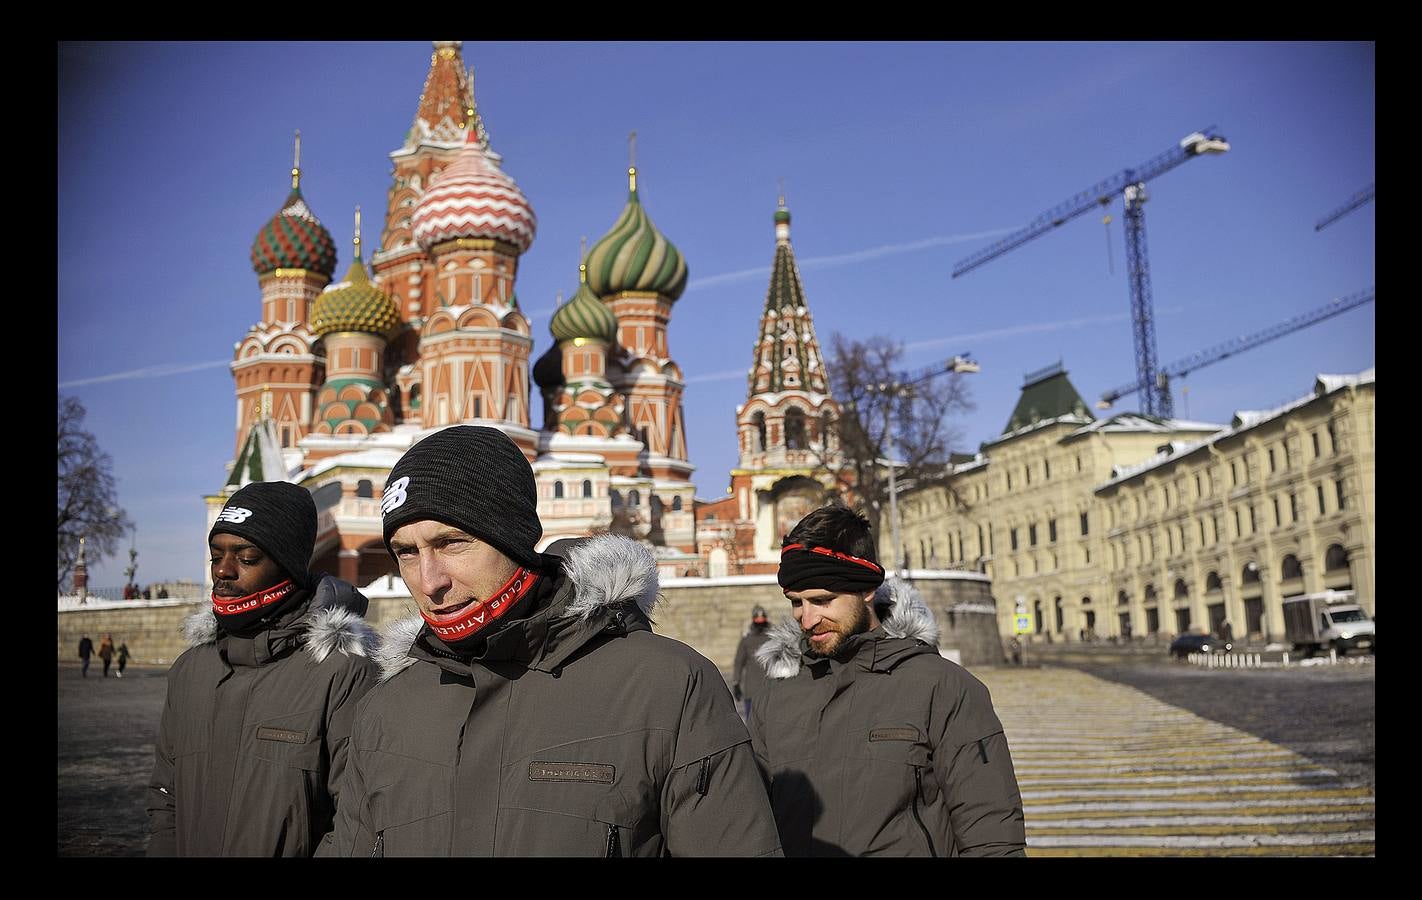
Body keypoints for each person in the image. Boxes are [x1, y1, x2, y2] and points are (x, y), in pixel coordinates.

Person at [322, 426, 781, 857]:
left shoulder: (663, 686)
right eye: (406, 552)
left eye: (453, 543)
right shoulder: (387, 707)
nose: (429, 581)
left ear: (514, 538)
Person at [749, 505, 1026, 857]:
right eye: (796, 602)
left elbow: (991, 830)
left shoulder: (941, 687)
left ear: (866, 589)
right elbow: (751, 821)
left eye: (822, 600)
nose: (807, 619)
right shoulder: (776, 695)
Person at [146, 480, 380, 857]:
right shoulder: (191, 670)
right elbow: (165, 798)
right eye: (215, 556)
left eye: (246, 557)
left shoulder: (341, 671)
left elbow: (355, 821)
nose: (223, 571)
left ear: (286, 565)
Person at [732, 605, 773, 721]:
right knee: (752, 722)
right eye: (758, 622)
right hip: (752, 691)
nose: (760, 625)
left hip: (770, 690)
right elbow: (739, 662)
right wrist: (736, 683)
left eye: (762, 622)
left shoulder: (773, 638)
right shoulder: (747, 640)